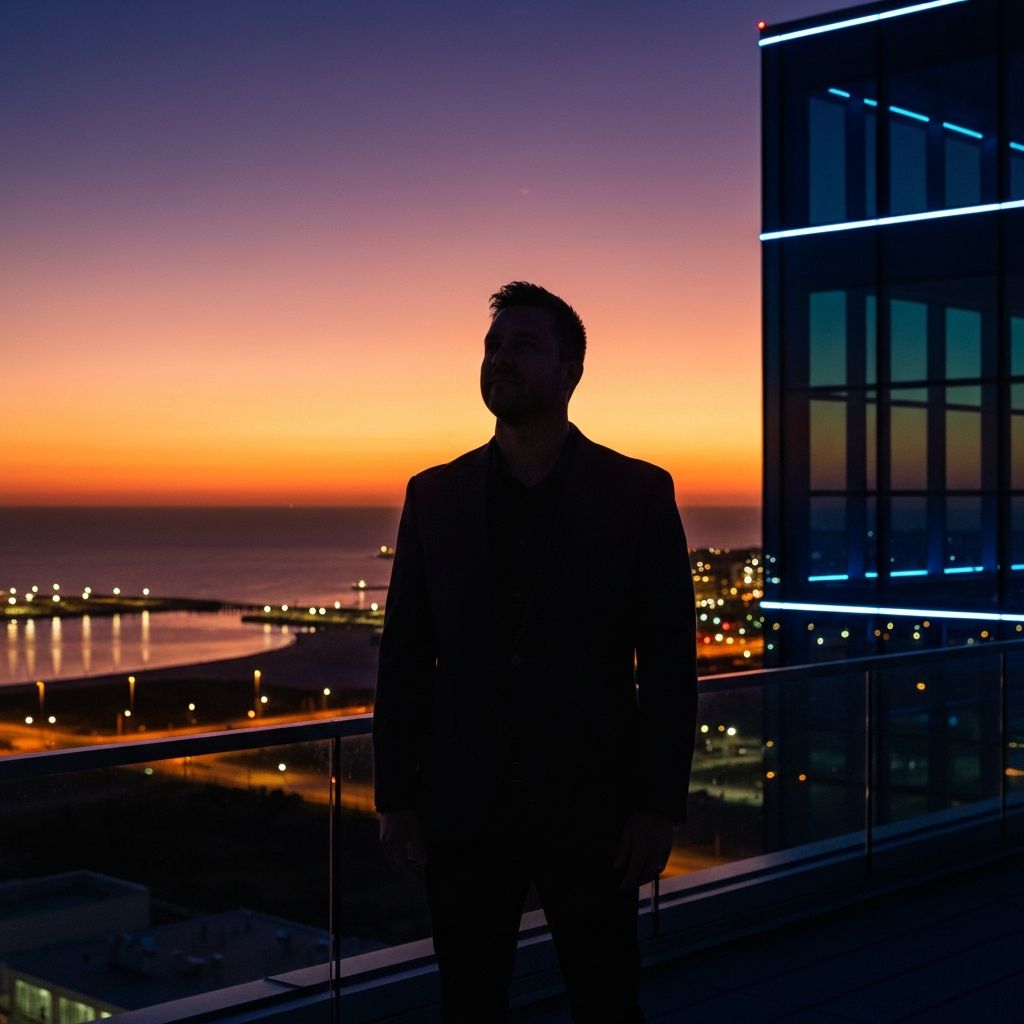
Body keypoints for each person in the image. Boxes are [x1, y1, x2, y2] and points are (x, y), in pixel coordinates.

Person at [373, 282, 697, 1023]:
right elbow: (406, 653)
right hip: (462, 804)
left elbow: (670, 663)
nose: (499, 360)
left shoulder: (638, 493)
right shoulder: (435, 495)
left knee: (606, 994)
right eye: (492, 346)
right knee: (470, 996)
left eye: (523, 345)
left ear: (571, 370)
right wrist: (395, 794)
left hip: (596, 807)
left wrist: (658, 805)